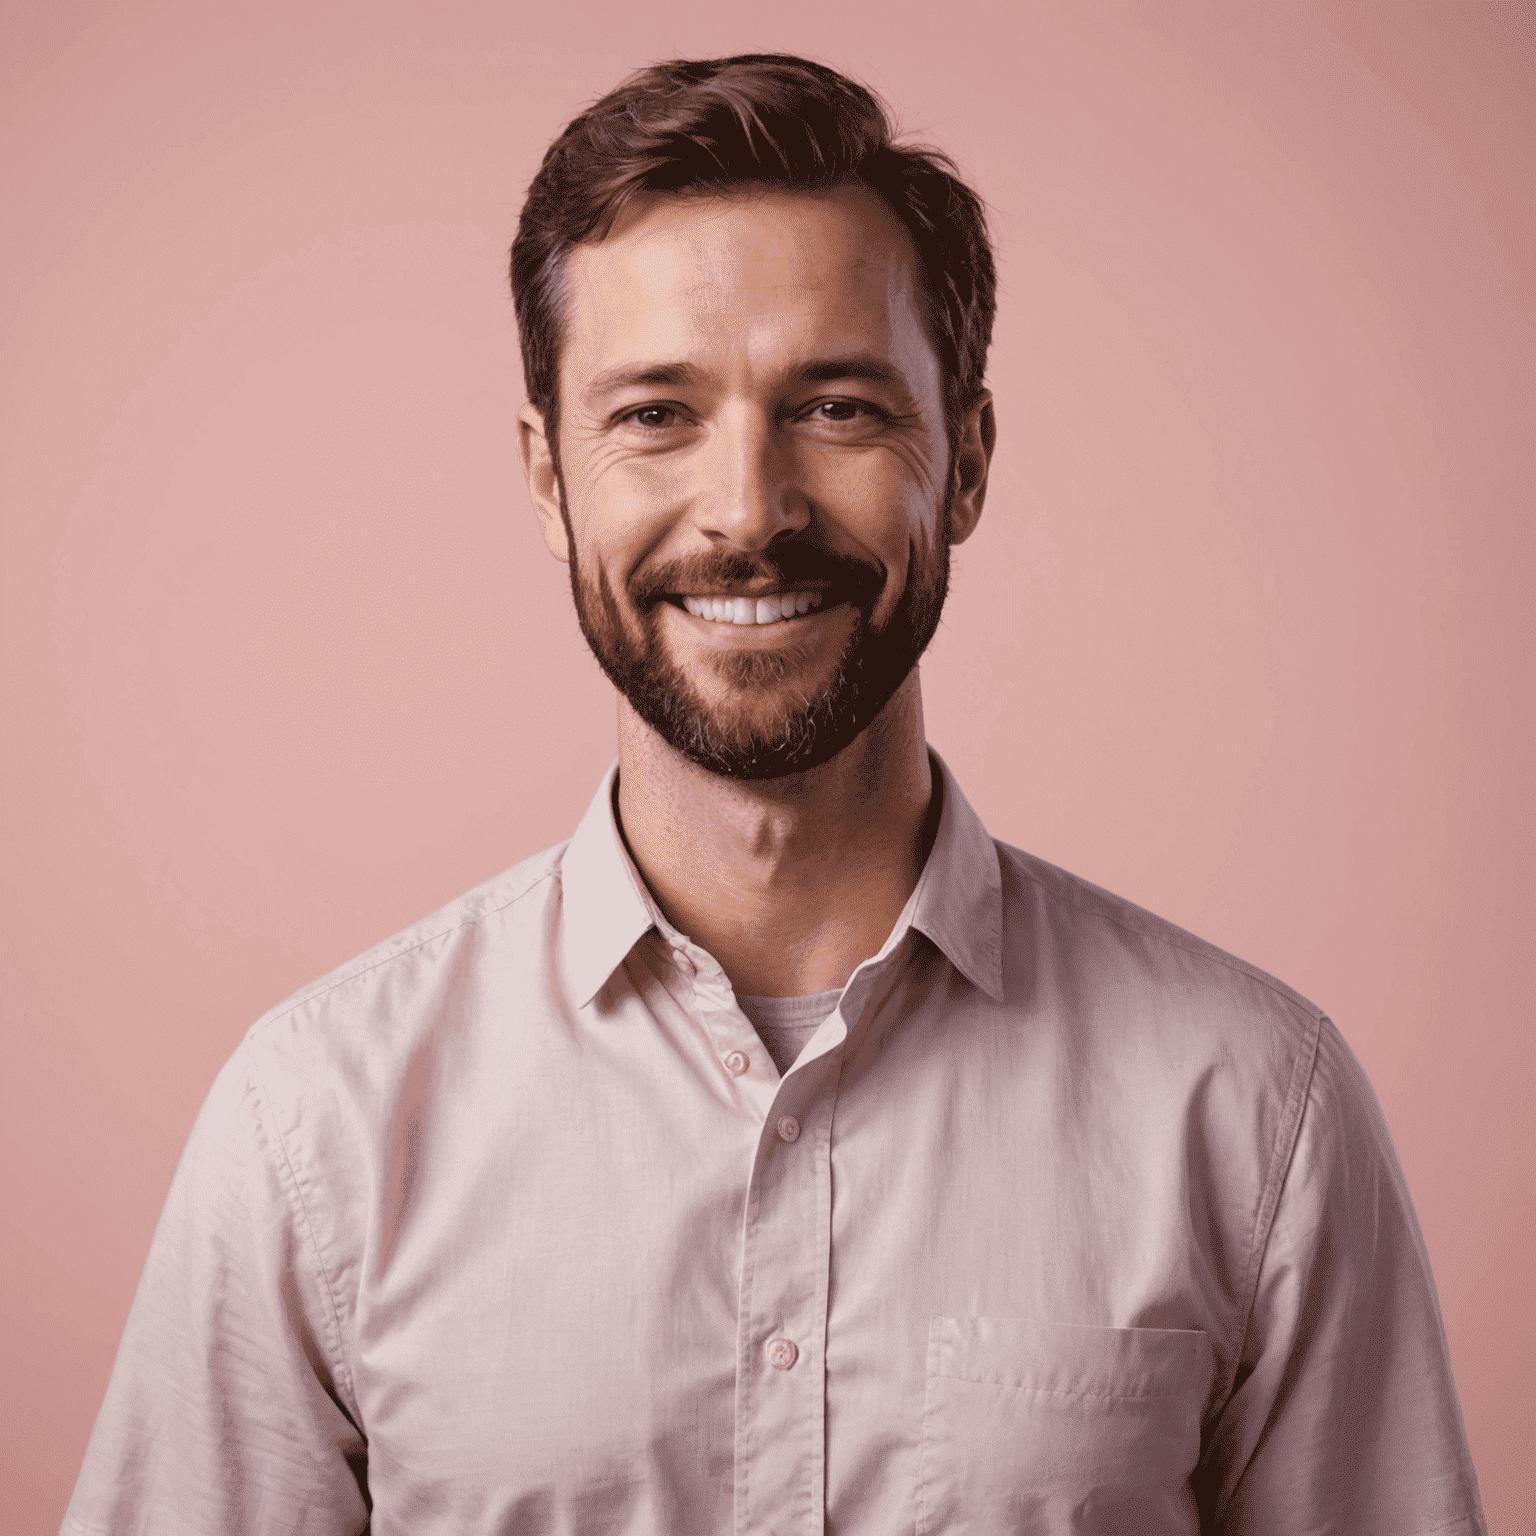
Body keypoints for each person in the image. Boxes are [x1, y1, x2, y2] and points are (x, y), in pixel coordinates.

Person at [64, 54, 1486, 1536]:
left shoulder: (1255, 1111)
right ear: (550, 480)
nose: (749, 510)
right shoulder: (319, 1128)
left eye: (838, 407)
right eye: (656, 416)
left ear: (971, 459)